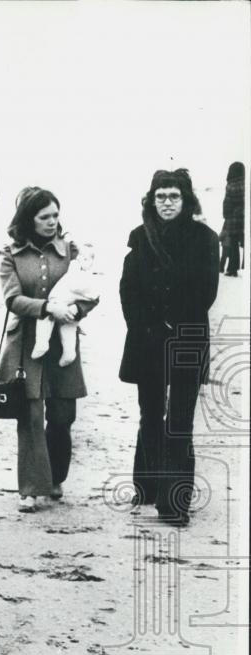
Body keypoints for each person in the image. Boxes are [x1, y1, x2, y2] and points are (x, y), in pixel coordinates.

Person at [119, 169, 219, 526]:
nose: (166, 203)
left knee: (179, 421)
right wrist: (145, 325)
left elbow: (206, 292)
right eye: (160, 196)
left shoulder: (206, 238)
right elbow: (127, 289)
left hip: (187, 338)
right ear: (151, 199)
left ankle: (174, 502)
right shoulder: (139, 237)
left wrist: (171, 323)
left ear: (186, 199)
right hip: (146, 338)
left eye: (173, 196)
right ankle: (146, 486)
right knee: (150, 414)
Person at [0, 187, 96, 514]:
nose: (52, 221)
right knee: (30, 416)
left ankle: (55, 477)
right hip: (25, 343)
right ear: (29, 219)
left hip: (63, 343)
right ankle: (30, 488)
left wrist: (76, 312)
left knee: (63, 415)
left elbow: (90, 292)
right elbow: (12, 299)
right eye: (44, 217)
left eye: (55, 215)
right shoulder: (10, 253)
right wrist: (46, 308)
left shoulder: (70, 250)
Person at [30, 244, 100, 367]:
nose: (81, 260)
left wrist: (78, 309)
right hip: (47, 306)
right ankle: (45, 345)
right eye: (80, 257)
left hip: (62, 304)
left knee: (63, 326)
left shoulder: (73, 256)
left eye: (85, 258)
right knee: (55, 322)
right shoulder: (77, 268)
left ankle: (62, 351)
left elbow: (92, 297)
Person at [219, 161, 245, 277]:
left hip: (233, 221)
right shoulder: (246, 183)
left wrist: (226, 215)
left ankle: (233, 269)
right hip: (245, 219)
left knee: (233, 245)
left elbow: (227, 204)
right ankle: (245, 267)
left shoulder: (231, 185)